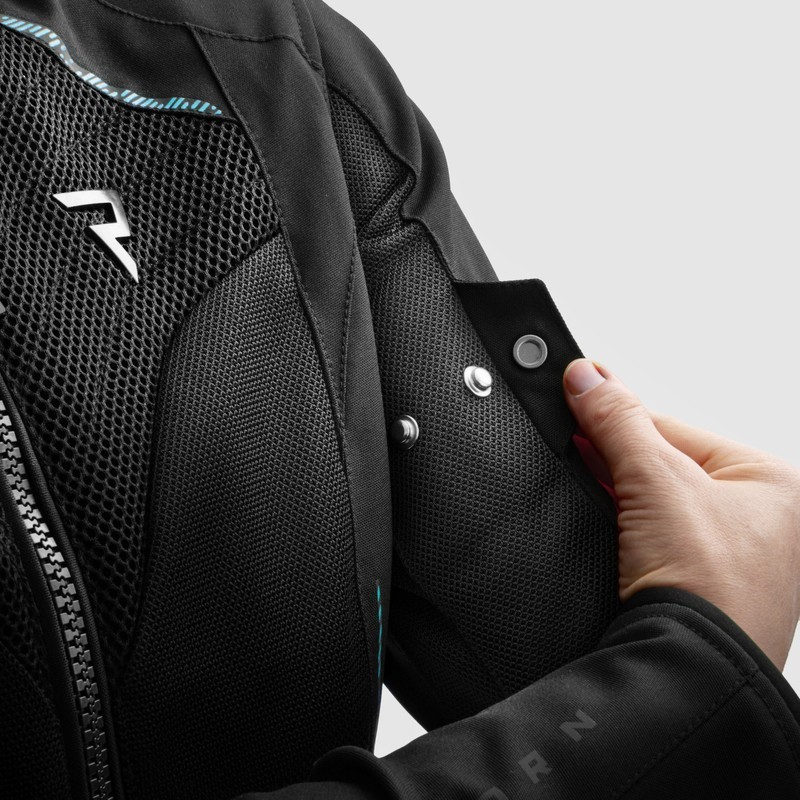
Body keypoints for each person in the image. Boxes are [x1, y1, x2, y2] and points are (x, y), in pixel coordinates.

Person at [0, 1, 798, 799]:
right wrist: (685, 689)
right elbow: (653, 704)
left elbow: (569, 635)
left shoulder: (260, 59)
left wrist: (688, 641)